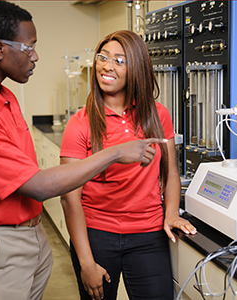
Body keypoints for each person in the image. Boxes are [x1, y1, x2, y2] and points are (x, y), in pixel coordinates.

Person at [0, 3, 166, 300]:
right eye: (29, 47)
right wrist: (114, 153)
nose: (35, 56)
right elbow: (37, 185)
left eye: (120, 60)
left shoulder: (5, 96)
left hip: (29, 236)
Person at [60, 30, 197, 300]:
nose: (107, 66)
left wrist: (170, 213)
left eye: (120, 60)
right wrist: (86, 263)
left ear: (136, 68)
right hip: (96, 235)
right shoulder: (81, 122)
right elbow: (69, 197)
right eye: (103, 57)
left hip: (149, 235)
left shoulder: (158, 115)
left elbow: (169, 172)